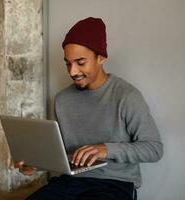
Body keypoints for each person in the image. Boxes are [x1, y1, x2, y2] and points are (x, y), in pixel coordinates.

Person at [22, 17, 163, 200]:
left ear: (101, 58)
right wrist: (38, 164)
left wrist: (106, 149)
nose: (72, 72)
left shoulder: (127, 96)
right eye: (68, 63)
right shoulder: (62, 99)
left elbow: (154, 148)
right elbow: (62, 154)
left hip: (114, 184)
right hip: (68, 181)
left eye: (80, 62)